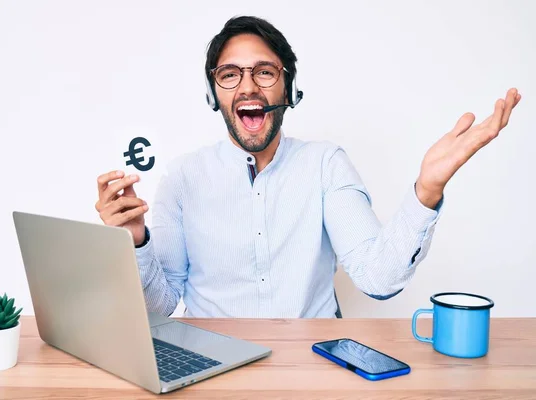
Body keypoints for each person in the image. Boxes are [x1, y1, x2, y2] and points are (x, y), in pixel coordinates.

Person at [94, 16, 521, 318]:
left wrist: (426, 191)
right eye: (229, 74)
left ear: (289, 87)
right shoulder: (183, 178)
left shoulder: (325, 165)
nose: (247, 86)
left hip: (311, 362)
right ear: (214, 94)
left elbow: (378, 277)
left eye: (264, 72)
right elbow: (161, 305)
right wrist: (135, 240)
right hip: (212, 367)